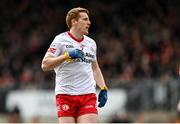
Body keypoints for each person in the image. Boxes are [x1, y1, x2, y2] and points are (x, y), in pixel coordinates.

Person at [41, 7, 108, 123]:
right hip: (65, 95)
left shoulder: (91, 43)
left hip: (87, 95)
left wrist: (103, 87)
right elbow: (45, 65)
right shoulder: (60, 40)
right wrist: (66, 56)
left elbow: (95, 68)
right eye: (85, 19)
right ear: (74, 22)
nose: (89, 22)